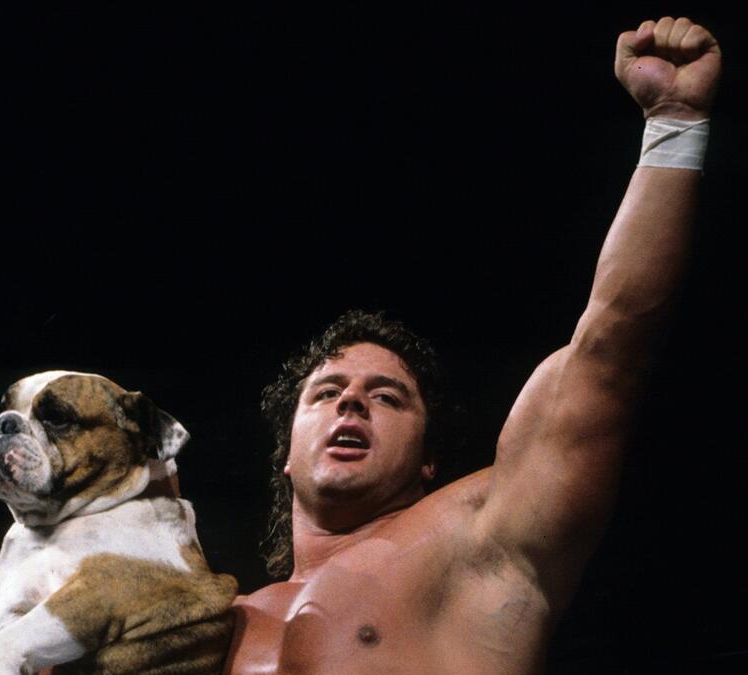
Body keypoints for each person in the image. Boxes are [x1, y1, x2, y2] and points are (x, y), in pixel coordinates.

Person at [225, 17, 721, 674]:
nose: (351, 405)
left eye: (387, 396)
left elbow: (612, 345)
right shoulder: (209, 618)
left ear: (429, 459)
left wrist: (675, 122)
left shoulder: (479, 534)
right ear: (284, 452)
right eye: (327, 392)